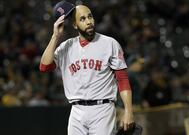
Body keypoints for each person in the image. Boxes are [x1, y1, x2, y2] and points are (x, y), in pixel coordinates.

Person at [39, 1, 134, 135]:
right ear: (74, 24)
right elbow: (44, 67)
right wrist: (55, 36)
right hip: (76, 111)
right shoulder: (66, 47)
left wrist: (128, 111)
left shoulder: (109, 44)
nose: (88, 21)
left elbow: (123, 80)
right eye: (82, 19)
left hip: (103, 109)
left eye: (90, 16)